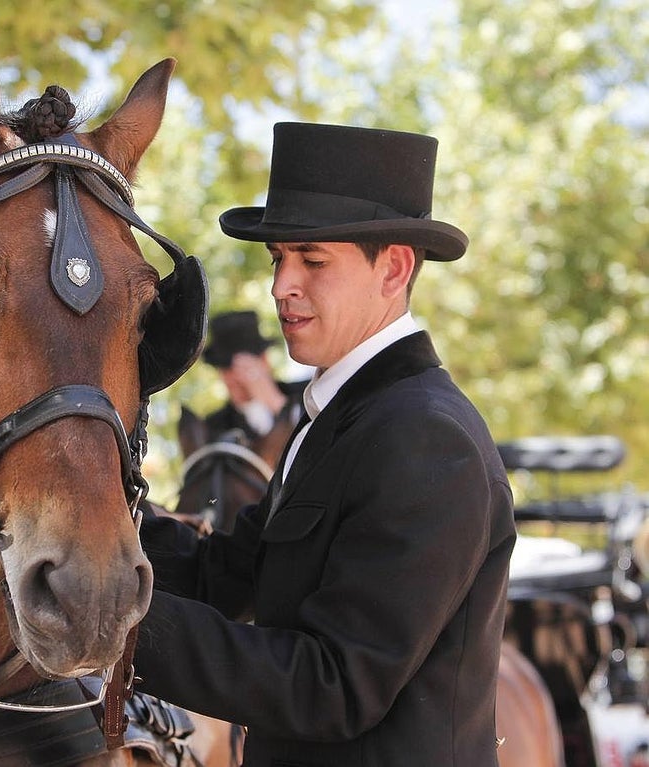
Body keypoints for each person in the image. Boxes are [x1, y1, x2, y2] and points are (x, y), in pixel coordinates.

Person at [134, 122, 517, 766]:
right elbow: (223, 576)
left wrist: (114, 625)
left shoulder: (425, 436)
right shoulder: (340, 417)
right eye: (278, 259)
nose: (282, 286)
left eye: (312, 260)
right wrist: (85, 521)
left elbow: (333, 687)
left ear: (393, 267)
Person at [197, 309, 307, 445]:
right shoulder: (213, 428)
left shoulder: (307, 394)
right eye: (225, 368)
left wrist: (276, 403)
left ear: (264, 361)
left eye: (241, 367)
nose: (233, 377)